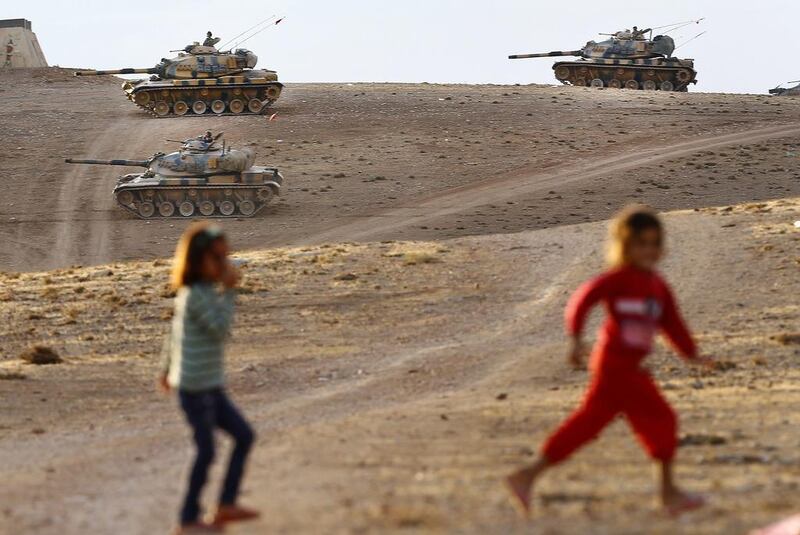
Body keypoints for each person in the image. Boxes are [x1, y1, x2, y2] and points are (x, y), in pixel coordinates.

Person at [505, 205, 712, 518]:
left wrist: (692, 355)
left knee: (587, 424)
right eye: (640, 243)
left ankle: (527, 475)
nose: (648, 250)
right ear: (624, 246)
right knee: (662, 419)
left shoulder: (657, 287)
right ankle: (667, 495)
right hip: (616, 366)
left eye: (654, 243)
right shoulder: (617, 280)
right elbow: (581, 300)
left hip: (627, 369)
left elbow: (673, 324)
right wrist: (575, 338)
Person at [159, 223, 258, 534]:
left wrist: (164, 370)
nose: (223, 264)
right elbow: (220, 330)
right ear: (198, 260)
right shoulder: (197, 295)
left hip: (208, 386)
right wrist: (230, 291)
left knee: (243, 436)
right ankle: (188, 520)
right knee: (207, 451)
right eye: (217, 258)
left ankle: (225, 504)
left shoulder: (196, 293)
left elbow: (173, 335)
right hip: (196, 388)